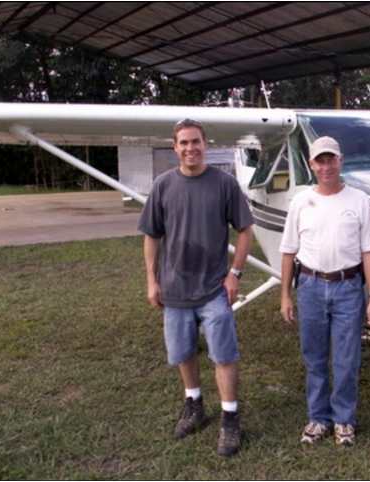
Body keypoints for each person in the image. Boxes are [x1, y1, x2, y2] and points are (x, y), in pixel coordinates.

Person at [138, 119, 253, 457]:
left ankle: (230, 418)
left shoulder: (225, 184)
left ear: (206, 143)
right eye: (184, 143)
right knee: (183, 352)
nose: (190, 148)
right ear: (175, 147)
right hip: (174, 289)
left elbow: (245, 229)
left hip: (214, 288)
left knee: (224, 355)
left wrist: (235, 274)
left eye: (196, 142)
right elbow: (151, 235)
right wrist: (151, 279)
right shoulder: (162, 185)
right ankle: (195, 404)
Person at [279, 136, 370, 447]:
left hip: (349, 288)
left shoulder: (359, 200)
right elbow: (287, 251)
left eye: (331, 159)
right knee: (314, 358)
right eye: (320, 161)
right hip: (309, 286)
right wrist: (285, 294)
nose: (326, 166)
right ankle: (318, 418)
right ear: (311, 165)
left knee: (347, 360)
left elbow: (369, 251)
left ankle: (343, 420)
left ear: (341, 161)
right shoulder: (300, 201)